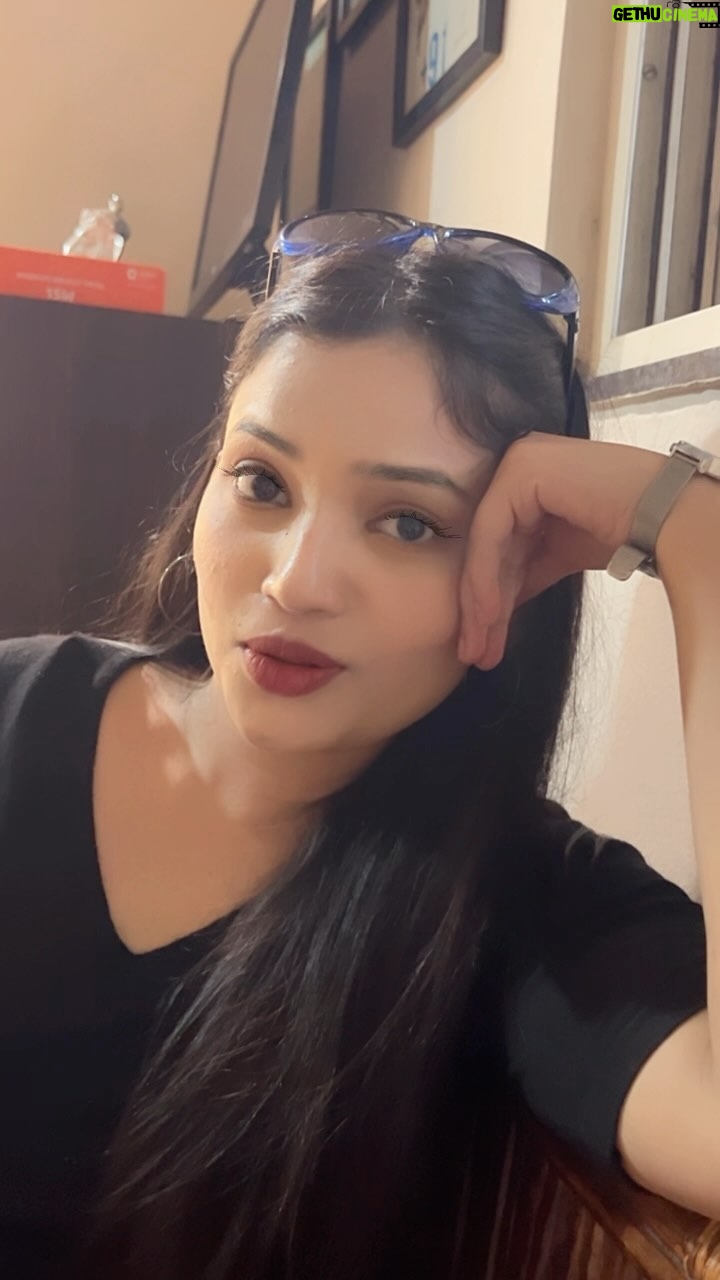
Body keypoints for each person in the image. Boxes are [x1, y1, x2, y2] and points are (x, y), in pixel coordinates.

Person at [0, 211, 713, 1280]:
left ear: (515, 569)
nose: (296, 580)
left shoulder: (516, 899)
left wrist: (689, 523)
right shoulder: (20, 711)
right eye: (262, 481)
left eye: (408, 522)